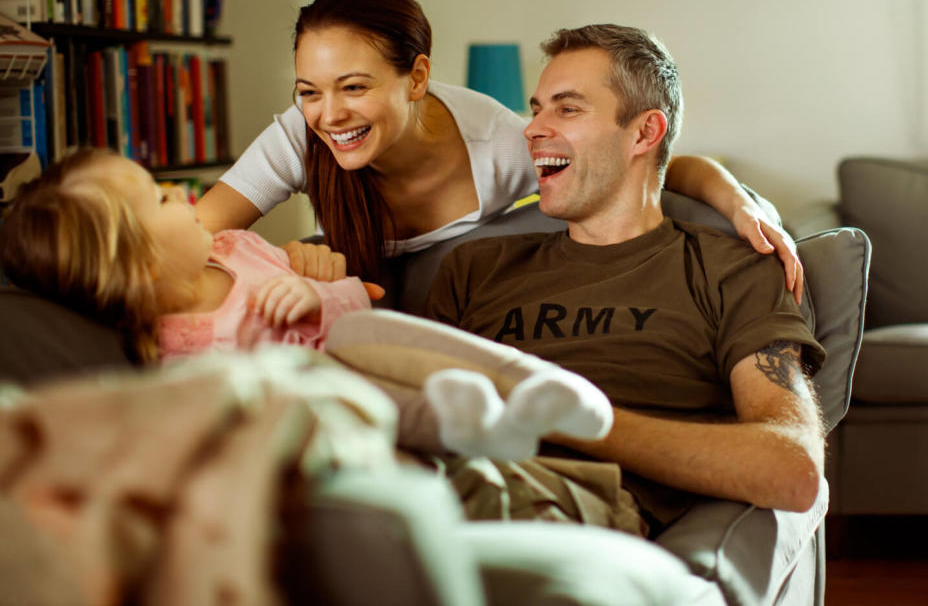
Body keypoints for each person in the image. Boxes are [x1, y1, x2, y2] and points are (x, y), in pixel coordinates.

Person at [423, 24, 827, 534]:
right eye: (538, 107)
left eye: (567, 109)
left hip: (560, 501)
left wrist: (574, 420)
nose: (532, 128)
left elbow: (792, 468)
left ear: (643, 133)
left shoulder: (728, 268)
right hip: (429, 479)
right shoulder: (475, 267)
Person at [194, 0, 803, 300]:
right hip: (342, 299)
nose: (328, 114)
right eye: (309, 90)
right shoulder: (298, 135)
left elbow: (645, 164)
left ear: (419, 77)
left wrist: (740, 203)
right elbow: (195, 237)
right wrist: (282, 264)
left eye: (354, 87)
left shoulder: (499, 146)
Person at [0, 149, 613, 461]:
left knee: (358, 338)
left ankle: (537, 384)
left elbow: (359, 307)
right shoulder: (176, 351)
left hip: (369, 349)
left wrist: (317, 296)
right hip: (343, 416)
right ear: (138, 265)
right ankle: (469, 428)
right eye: (156, 201)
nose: (176, 191)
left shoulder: (237, 248)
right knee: (319, 374)